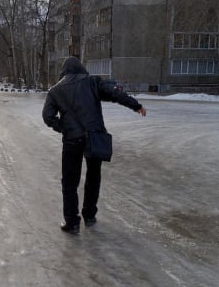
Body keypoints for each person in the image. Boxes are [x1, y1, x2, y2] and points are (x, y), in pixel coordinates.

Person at [42, 56, 146, 234]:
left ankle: (72, 222)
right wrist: (135, 105)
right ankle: (89, 215)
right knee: (93, 177)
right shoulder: (92, 82)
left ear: (63, 71)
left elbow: (48, 116)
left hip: (72, 141)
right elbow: (115, 94)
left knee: (69, 182)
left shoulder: (55, 90)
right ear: (81, 68)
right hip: (94, 137)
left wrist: (65, 129)